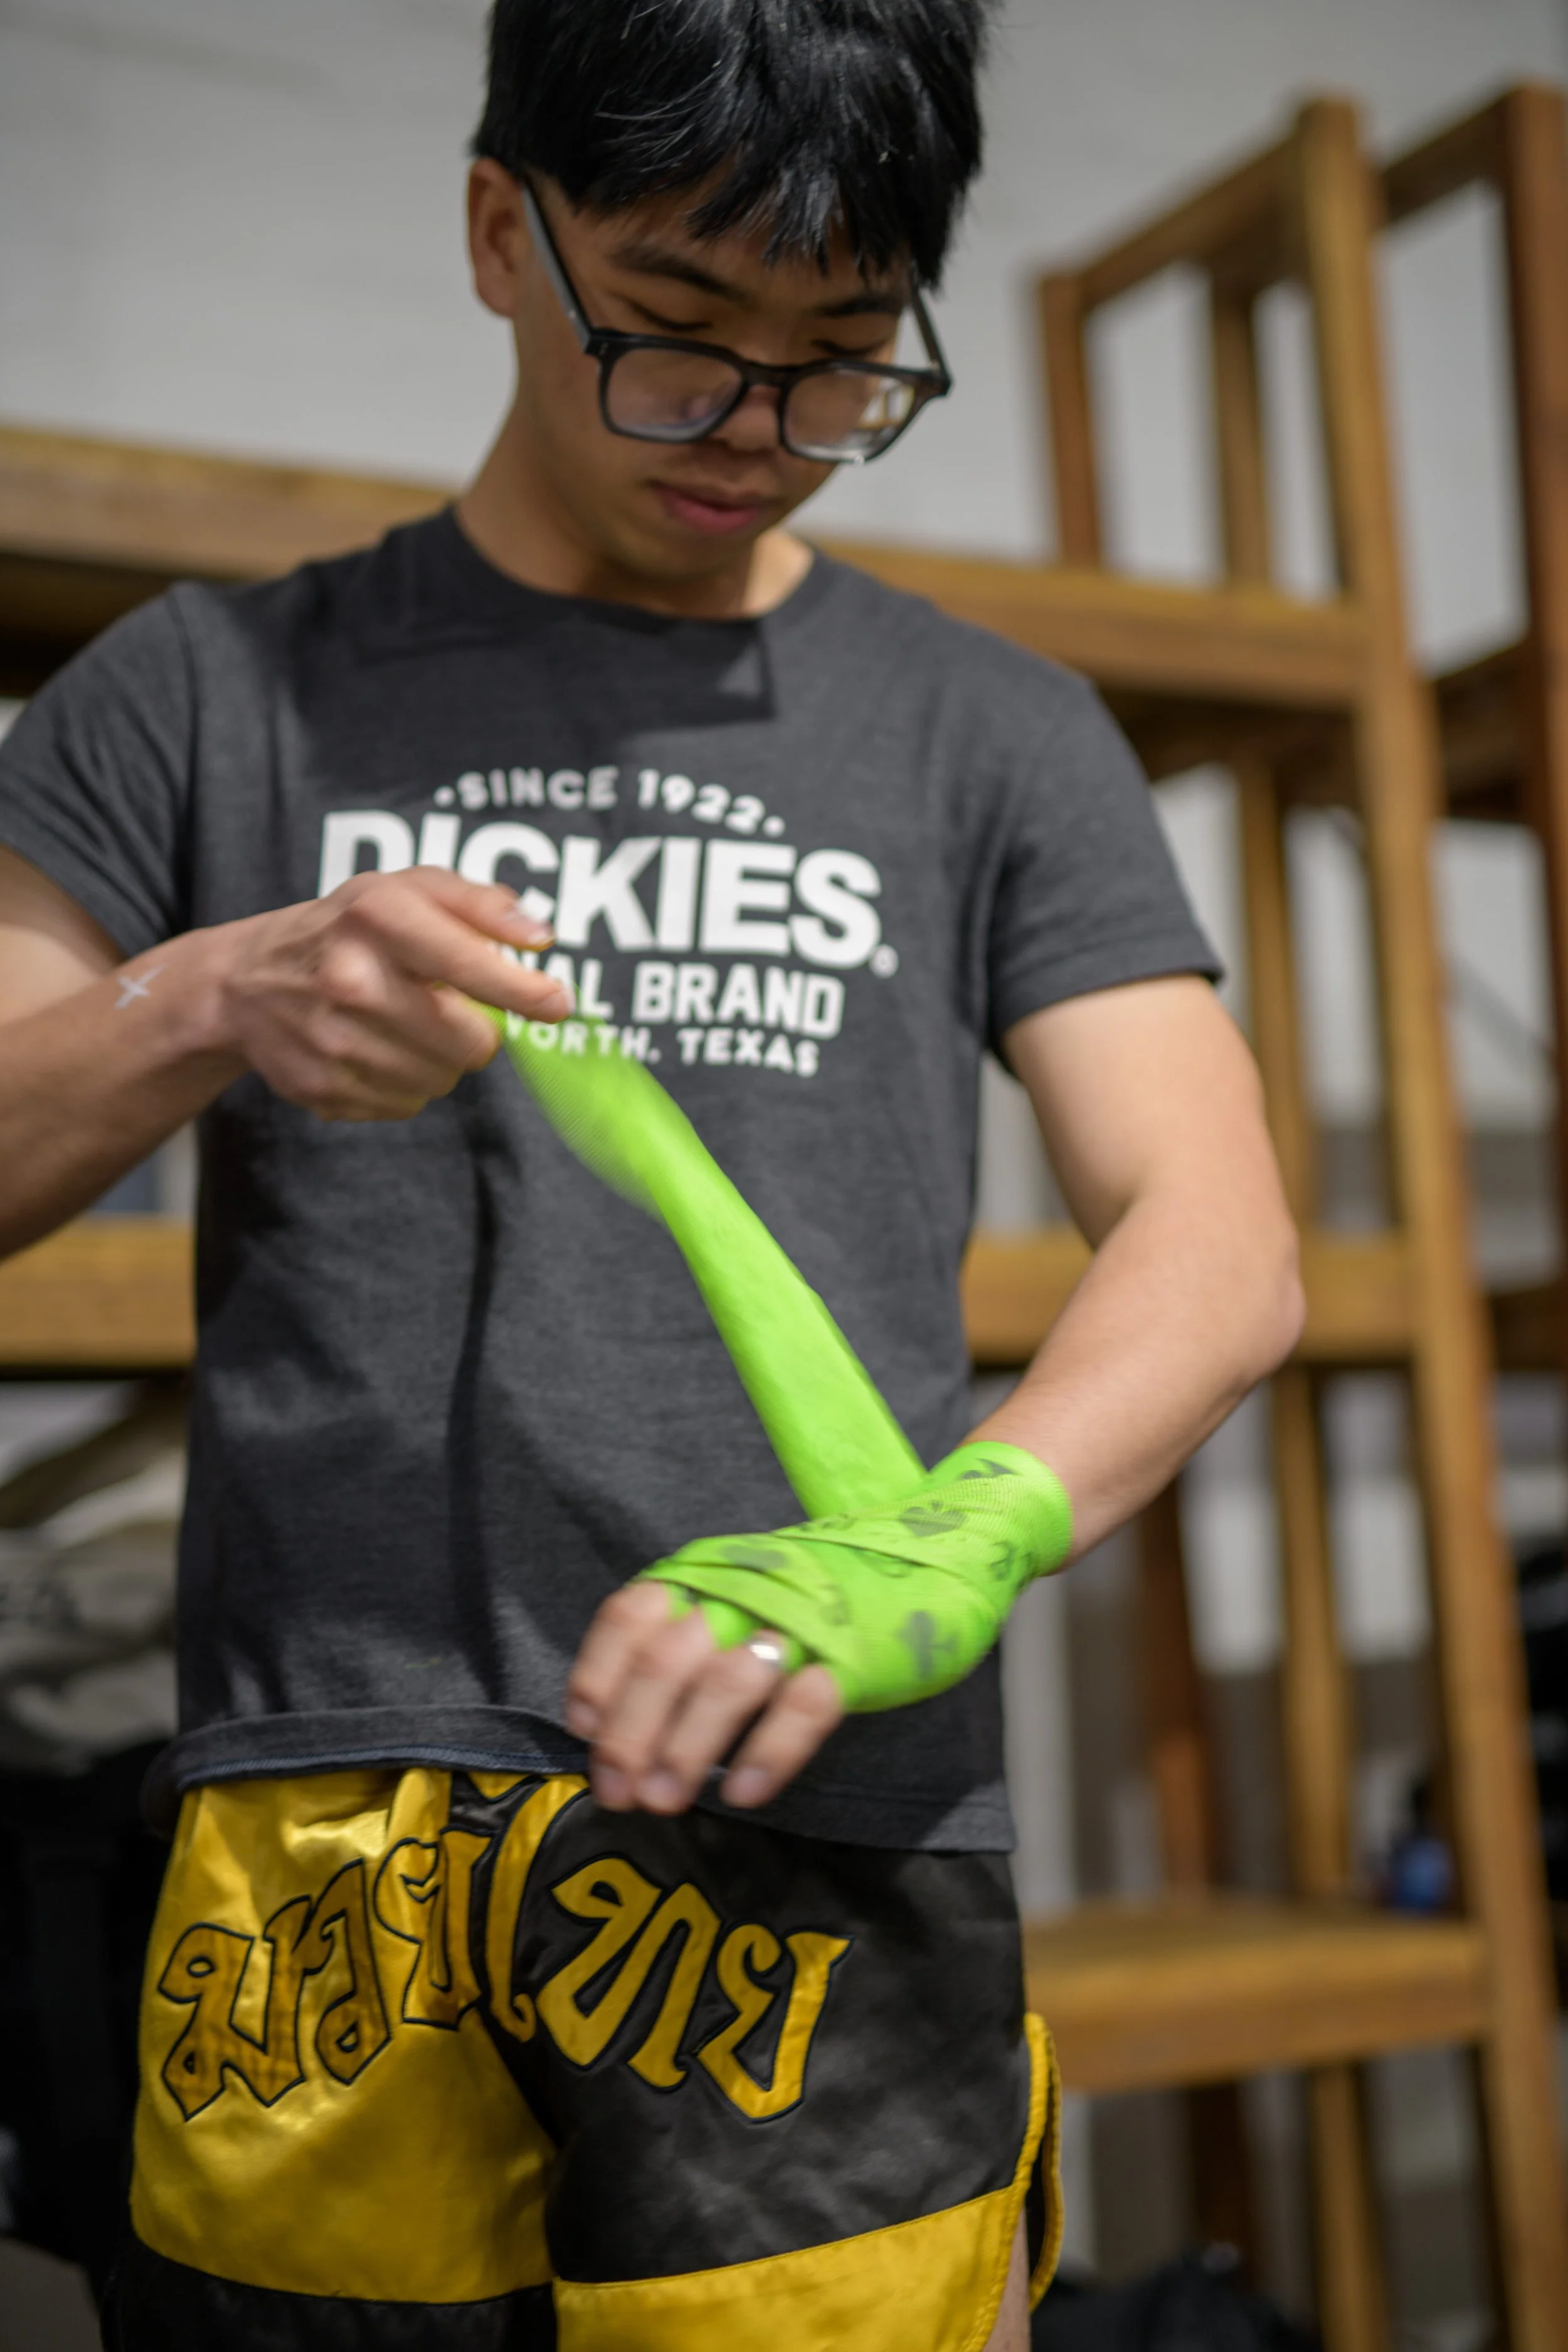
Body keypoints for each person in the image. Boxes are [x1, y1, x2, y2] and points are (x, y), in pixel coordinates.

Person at [0, 2, 1303, 2344]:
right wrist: (206, 996)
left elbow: (1213, 1234)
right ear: (505, 232)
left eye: (839, 357)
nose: (758, 437)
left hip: (831, 1808)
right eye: (681, 340)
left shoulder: (990, 732)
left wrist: (963, 1526)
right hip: (328, 1817)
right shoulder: (205, 692)